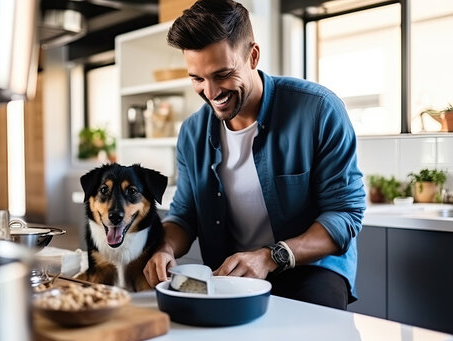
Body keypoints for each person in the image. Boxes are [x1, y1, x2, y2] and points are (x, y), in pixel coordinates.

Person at [143, 0, 366, 310]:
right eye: (197, 78)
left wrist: (271, 256)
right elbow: (184, 215)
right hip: (232, 275)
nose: (211, 92)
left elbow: (345, 213)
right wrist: (163, 247)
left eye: (222, 74)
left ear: (253, 56)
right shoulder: (193, 132)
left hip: (311, 269)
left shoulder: (317, 109)